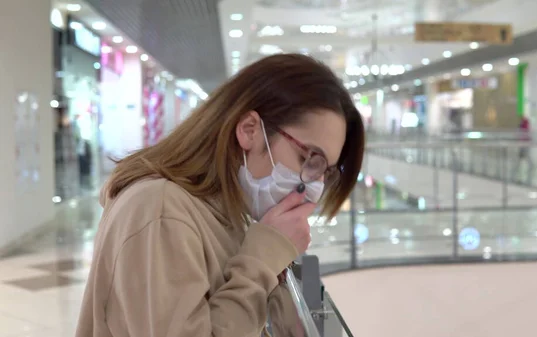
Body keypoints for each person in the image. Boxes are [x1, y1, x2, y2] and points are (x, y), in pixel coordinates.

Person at [75, 53, 365, 337]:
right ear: (250, 130)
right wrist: (264, 257)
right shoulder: (160, 209)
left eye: (324, 172)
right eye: (308, 158)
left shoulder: (228, 214)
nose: (313, 187)